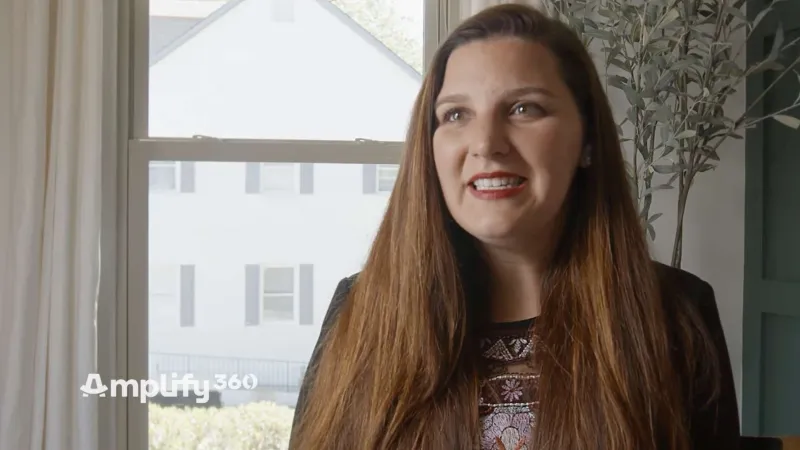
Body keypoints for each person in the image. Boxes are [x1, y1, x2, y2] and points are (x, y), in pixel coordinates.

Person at [289, 3, 740, 449]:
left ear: (586, 141)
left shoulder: (678, 316)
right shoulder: (362, 310)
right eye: (455, 115)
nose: (485, 144)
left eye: (524, 108)